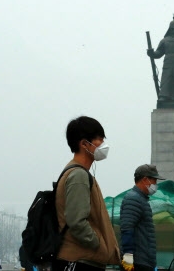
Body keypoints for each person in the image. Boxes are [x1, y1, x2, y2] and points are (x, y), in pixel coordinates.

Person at [54, 116, 120, 271]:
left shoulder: (78, 172)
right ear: (84, 144)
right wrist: (98, 244)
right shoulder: (78, 175)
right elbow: (76, 222)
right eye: (99, 140)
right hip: (80, 261)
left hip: (81, 259)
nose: (103, 145)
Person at [119, 164, 166, 271]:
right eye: (154, 180)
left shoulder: (141, 199)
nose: (155, 185)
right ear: (145, 179)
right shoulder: (133, 199)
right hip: (138, 263)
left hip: (144, 262)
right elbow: (127, 228)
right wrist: (128, 257)